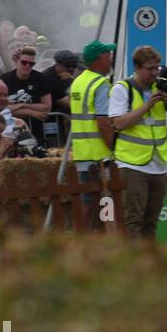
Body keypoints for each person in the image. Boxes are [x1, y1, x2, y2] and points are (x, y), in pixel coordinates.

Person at [110, 45, 167, 238]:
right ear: (137, 67)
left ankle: (148, 263)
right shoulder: (123, 89)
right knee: (133, 221)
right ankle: (134, 265)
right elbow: (119, 123)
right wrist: (147, 105)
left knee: (151, 223)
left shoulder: (160, 86)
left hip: (159, 164)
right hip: (132, 164)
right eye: (150, 69)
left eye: (157, 68)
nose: (155, 73)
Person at [69, 41, 116, 229]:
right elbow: (103, 123)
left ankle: (84, 239)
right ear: (99, 59)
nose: (110, 58)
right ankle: (106, 240)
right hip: (100, 155)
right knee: (107, 202)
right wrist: (114, 147)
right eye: (107, 55)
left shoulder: (78, 82)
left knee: (87, 201)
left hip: (82, 153)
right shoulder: (101, 84)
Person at [0, 45, 53, 132]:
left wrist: (22, 105)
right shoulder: (4, 79)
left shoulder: (40, 78)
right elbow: (3, 110)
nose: (28, 66)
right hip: (10, 129)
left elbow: (46, 108)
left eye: (31, 64)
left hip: (36, 129)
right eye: (24, 62)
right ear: (16, 61)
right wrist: (31, 112)